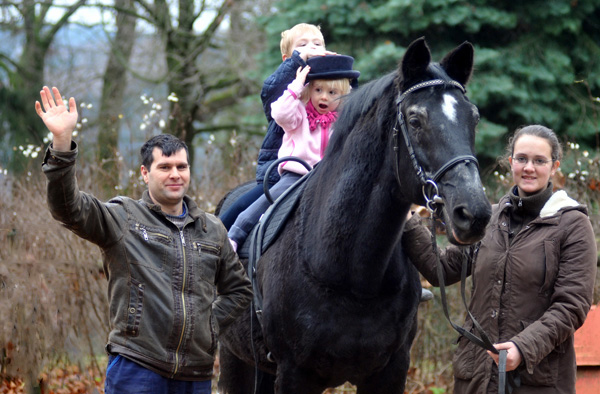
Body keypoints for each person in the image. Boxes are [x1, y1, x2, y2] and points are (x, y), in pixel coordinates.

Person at [35, 86, 253, 394]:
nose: (175, 174)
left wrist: (209, 325)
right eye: (164, 167)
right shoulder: (123, 217)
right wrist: (61, 143)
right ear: (144, 173)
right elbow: (68, 209)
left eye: (181, 166)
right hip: (137, 366)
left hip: (196, 373)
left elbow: (239, 290)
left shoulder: (212, 229)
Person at [402, 125, 597, 393]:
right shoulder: (490, 219)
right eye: (522, 159)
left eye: (539, 161)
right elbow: (444, 269)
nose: (529, 167)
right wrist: (409, 222)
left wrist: (523, 347)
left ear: (554, 167)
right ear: (511, 163)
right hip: (475, 377)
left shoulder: (572, 224)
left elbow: (571, 305)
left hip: (536, 380)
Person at [228, 54, 360, 251]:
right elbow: (279, 113)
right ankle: (236, 234)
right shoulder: (299, 113)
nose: (324, 96)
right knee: (266, 201)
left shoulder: (343, 120)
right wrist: (296, 87)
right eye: (318, 90)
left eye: (332, 93)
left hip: (330, 177)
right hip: (297, 175)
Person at [219, 22, 335, 230]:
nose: (312, 49)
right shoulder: (285, 86)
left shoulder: (331, 89)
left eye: (317, 44)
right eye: (303, 45)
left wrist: (341, 70)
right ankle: (214, 240)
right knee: (242, 206)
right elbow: (271, 92)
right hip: (281, 174)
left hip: (326, 174)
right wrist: (297, 64)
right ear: (287, 59)